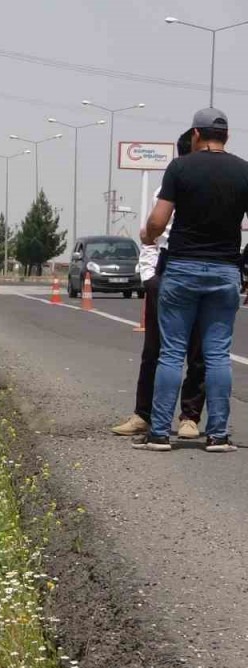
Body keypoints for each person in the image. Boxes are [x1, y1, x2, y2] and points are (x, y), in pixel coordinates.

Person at [137, 108, 248, 453]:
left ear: (196, 136)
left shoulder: (180, 167)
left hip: (182, 268)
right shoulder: (244, 171)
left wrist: (148, 236)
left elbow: (158, 220)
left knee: (171, 353)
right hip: (225, 271)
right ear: (226, 137)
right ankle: (217, 435)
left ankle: (158, 434)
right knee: (217, 354)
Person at [112, 129, 207, 439]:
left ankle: (189, 417)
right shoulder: (167, 188)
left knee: (197, 350)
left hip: (200, 270)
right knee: (155, 348)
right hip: (166, 273)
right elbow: (151, 233)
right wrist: (150, 278)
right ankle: (144, 414)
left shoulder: (212, 188)